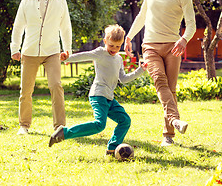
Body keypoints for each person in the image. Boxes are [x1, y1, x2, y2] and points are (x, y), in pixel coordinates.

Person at [124, 0, 196, 146]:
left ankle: (168, 135)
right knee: (160, 82)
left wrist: (183, 39)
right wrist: (129, 37)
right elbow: (142, 16)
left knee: (170, 90)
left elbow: (191, 25)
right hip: (150, 46)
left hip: (173, 46)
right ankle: (174, 120)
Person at [48, 25, 147, 155]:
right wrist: (67, 58)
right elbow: (85, 55)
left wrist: (140, 70)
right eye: (111, 46)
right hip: (98, 95)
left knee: (125, 120)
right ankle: (64, 133)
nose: (114, 49)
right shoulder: (100, 53)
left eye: (118, 47)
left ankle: (112, 148)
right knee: (99, 125)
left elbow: (123, 78)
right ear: (105, 41)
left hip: (109, 98)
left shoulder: (118, 59)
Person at [10, 0, 72, 135]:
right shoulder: (26, 1)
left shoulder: (61, 2)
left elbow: (65, 27)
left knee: (56, 86)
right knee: (26, 90)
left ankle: (60, 126)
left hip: (52, 51)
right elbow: (18, 27)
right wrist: (15, 48)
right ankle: (24, 125)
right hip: (29, 51)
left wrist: (67, 49)